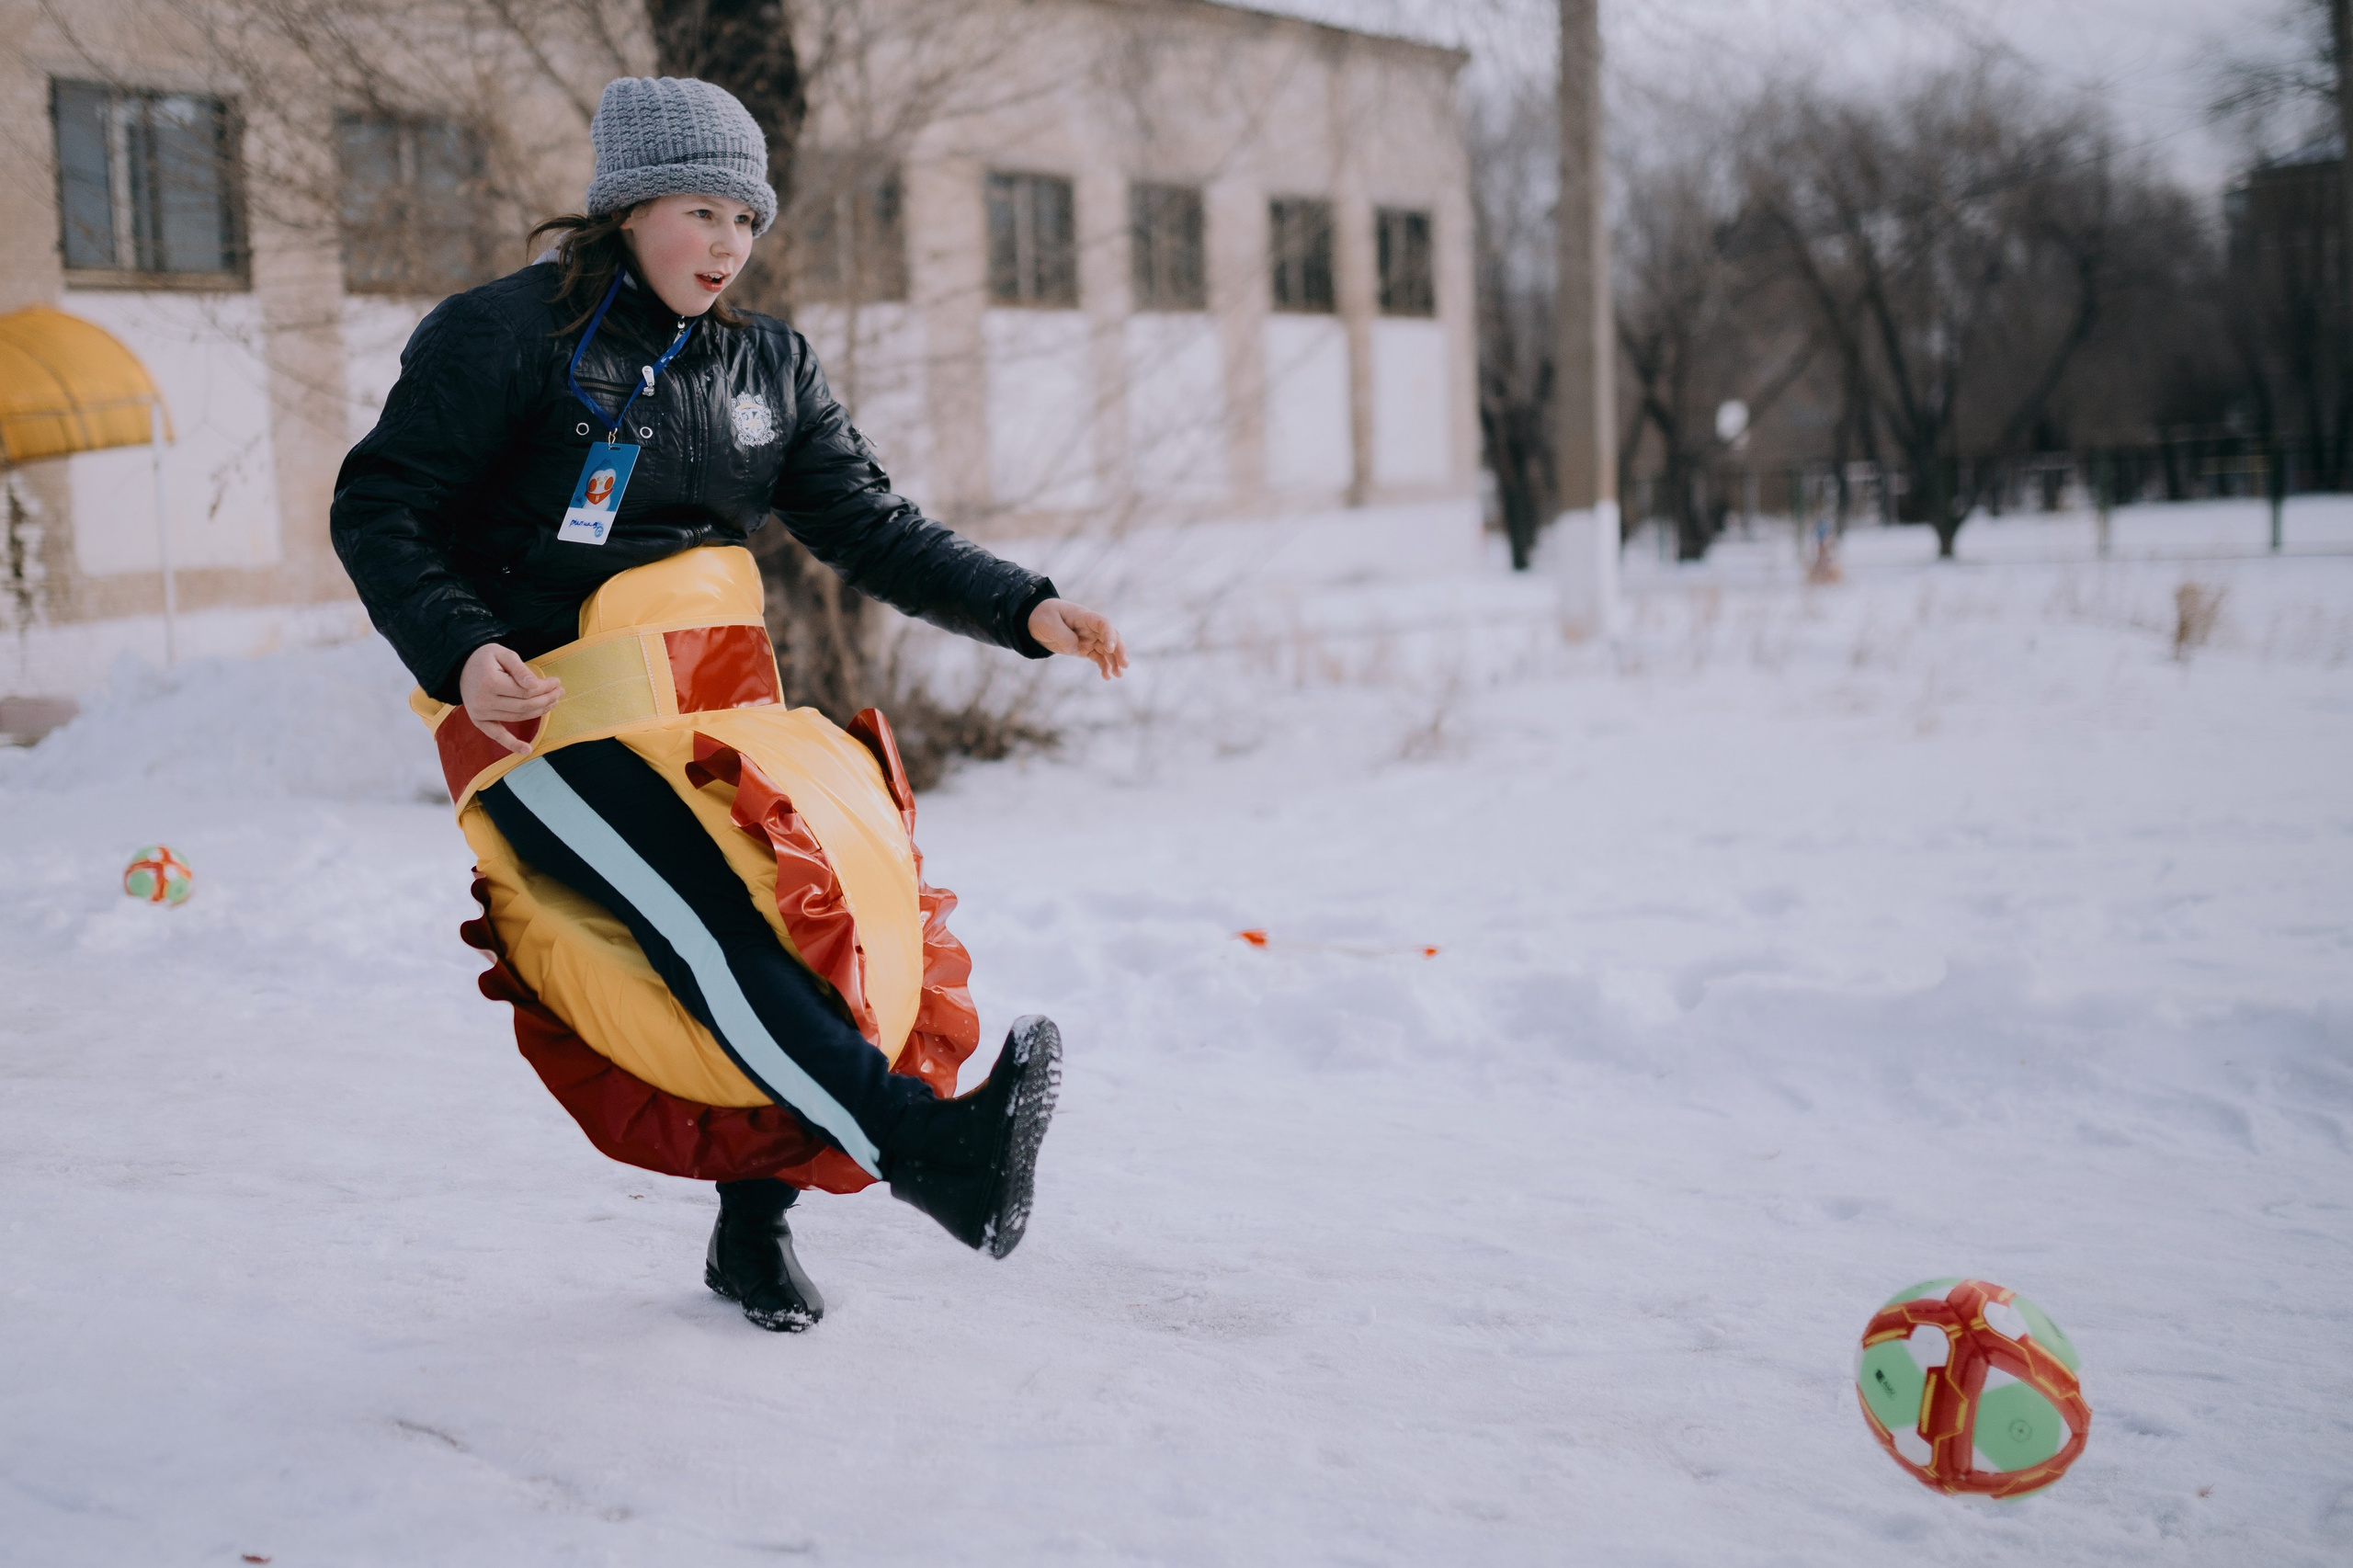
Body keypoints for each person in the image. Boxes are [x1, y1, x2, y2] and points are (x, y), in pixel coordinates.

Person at [331, 75, 1127, 1333]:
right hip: (549, 723)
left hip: (720, 712)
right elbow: (379, 507)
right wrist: (462, 642)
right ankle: (933, 1156)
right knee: (711, 931)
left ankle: (752, 1232)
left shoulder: (770, 364)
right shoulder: (500, 338)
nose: (725, 246)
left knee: (836, 924)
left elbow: (871, 527)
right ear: (630, 205)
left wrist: (1025, 607)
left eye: (745, 222)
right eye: (700, 212)